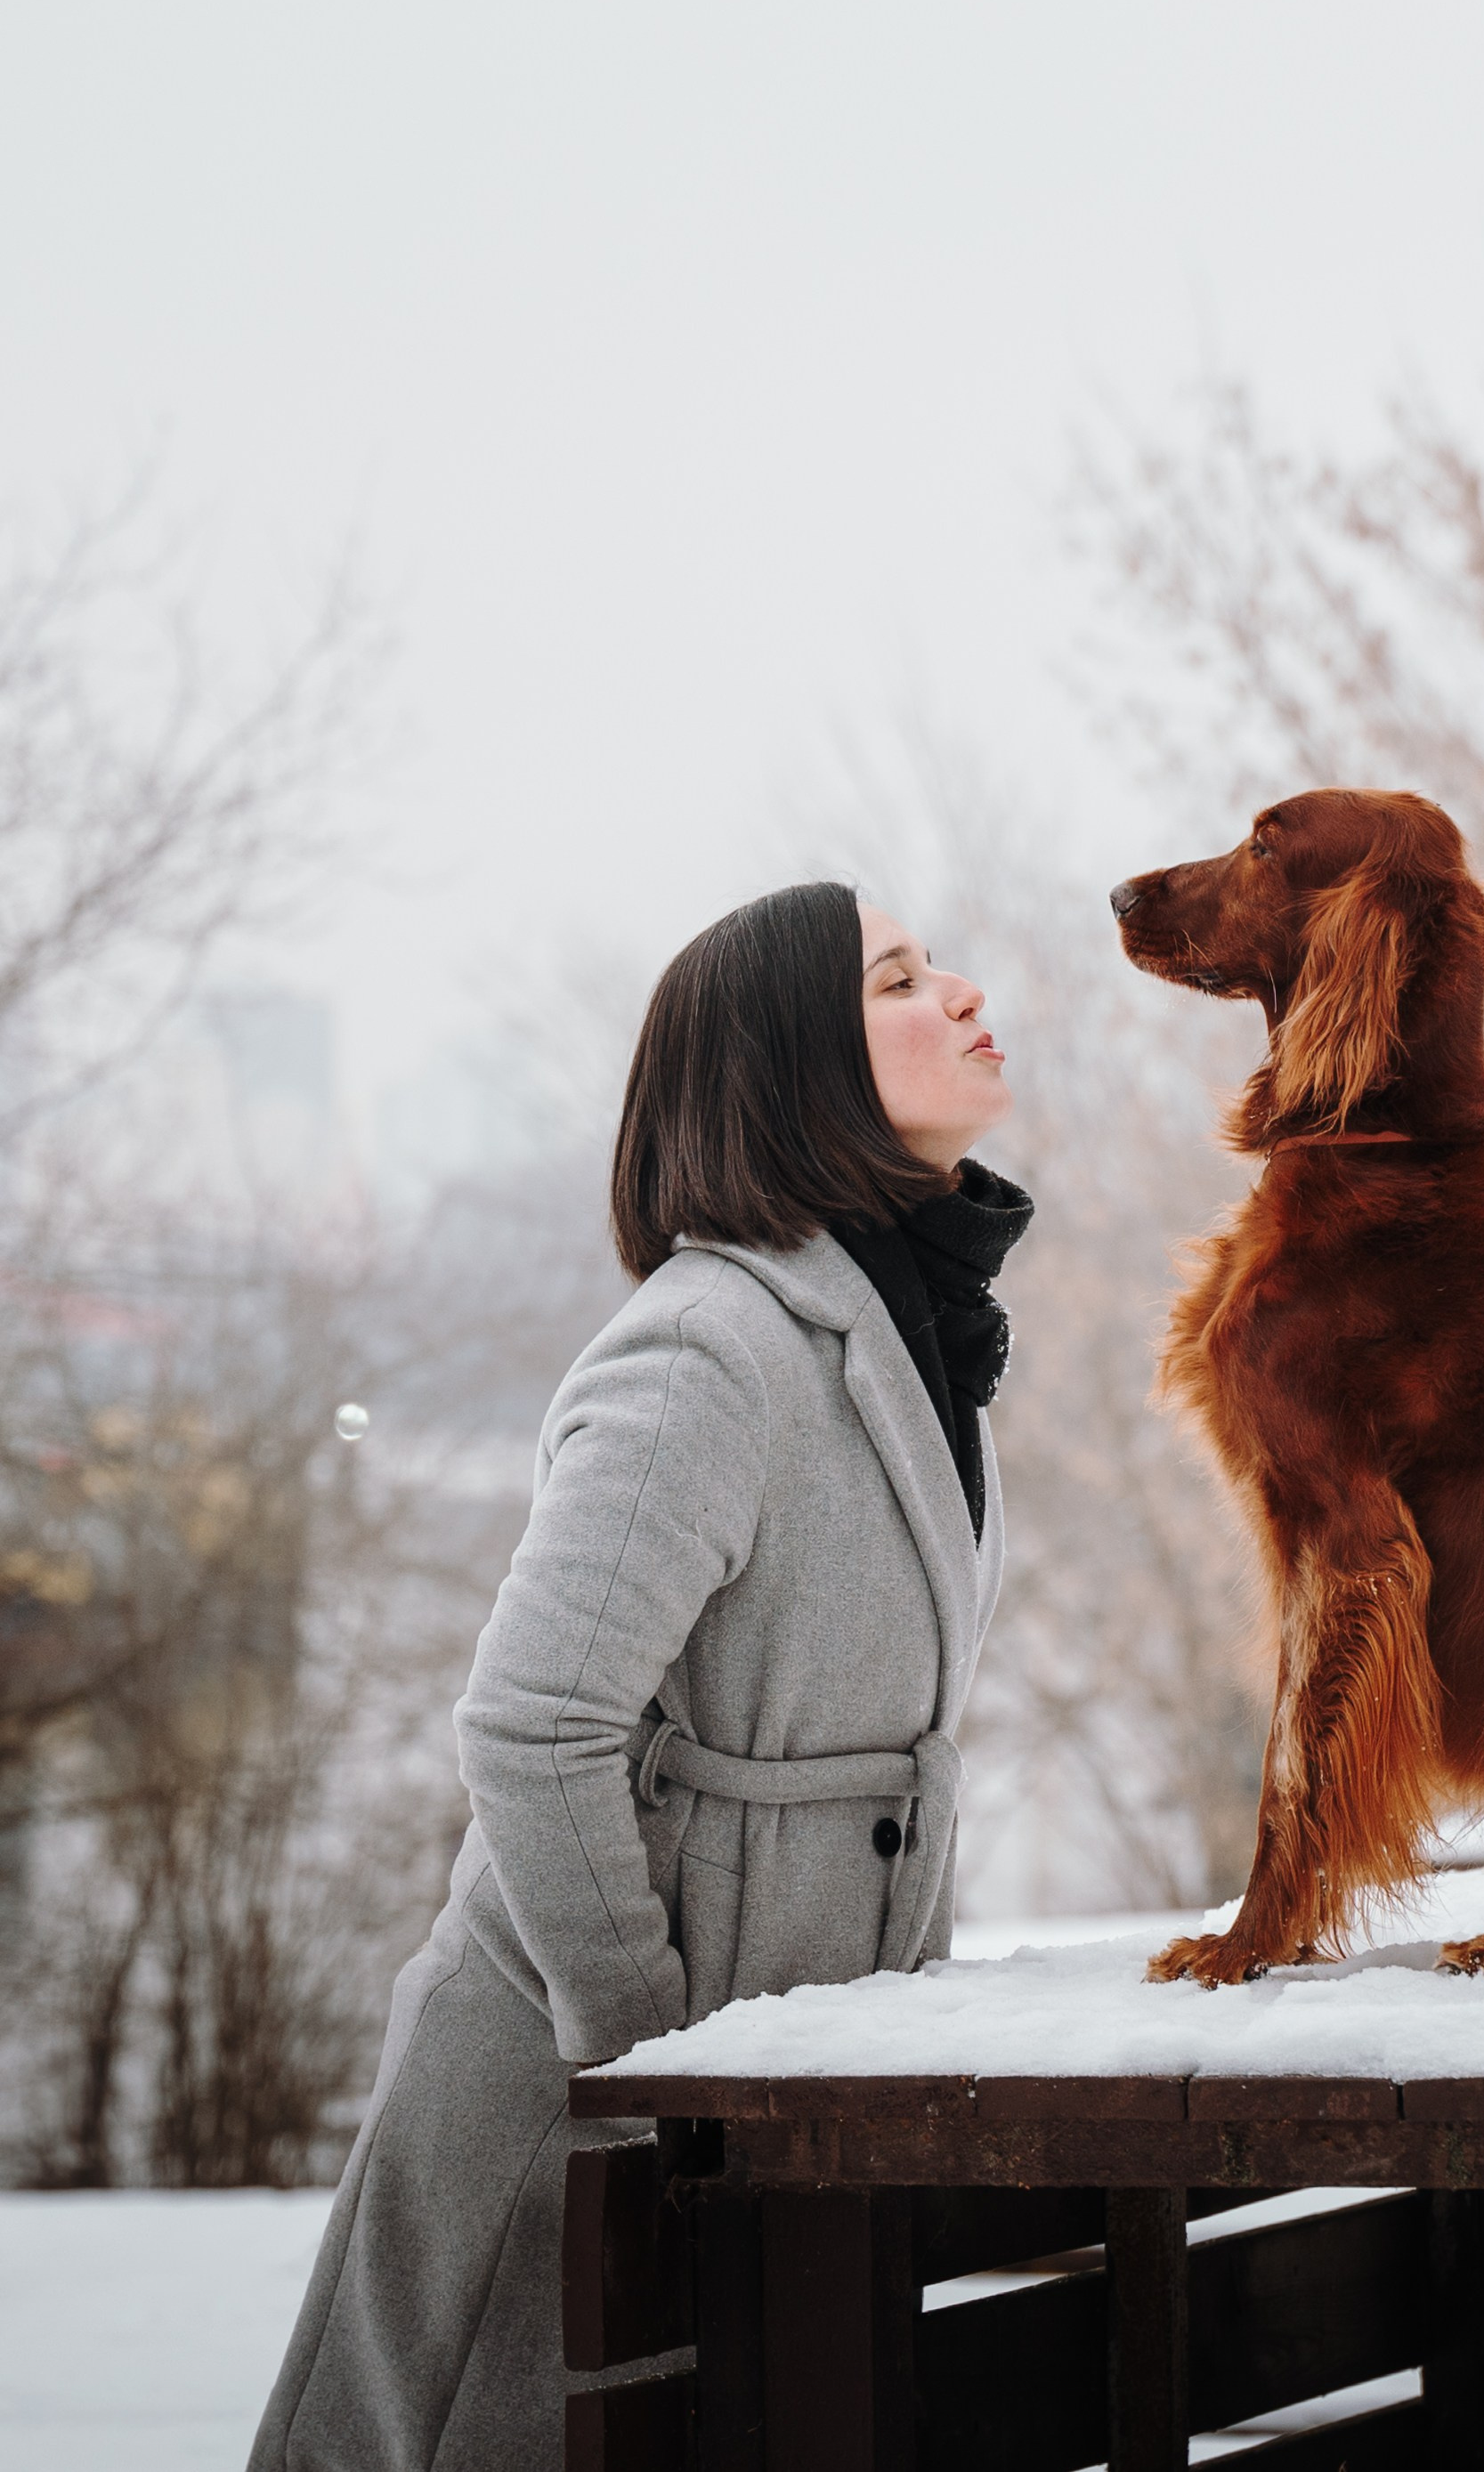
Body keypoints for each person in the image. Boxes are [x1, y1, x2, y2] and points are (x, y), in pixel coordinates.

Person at [250, 882, 1030, 2472]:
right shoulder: (706, 1348)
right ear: (791, 1064)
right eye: (896, 975)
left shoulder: (907, 1335)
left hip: (769, 2097)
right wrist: (645, 2056)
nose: (957, 990)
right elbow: (532, 1723)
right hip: (569, 2116)